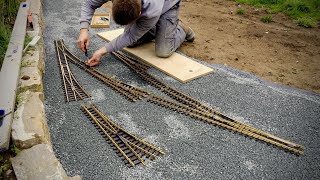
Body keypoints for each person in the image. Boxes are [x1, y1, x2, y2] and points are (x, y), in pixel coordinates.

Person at [78, 0, 195, 67]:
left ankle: (180, 29)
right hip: (149, 15)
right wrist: (83, 30)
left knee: (163, 51)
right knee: (130, 43)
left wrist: (102, 51)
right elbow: (89, 3)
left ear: (140, 13)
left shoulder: (151, 9)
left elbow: (131, 35)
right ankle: (157, 28)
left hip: (168, 5)